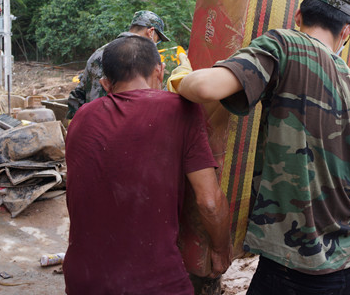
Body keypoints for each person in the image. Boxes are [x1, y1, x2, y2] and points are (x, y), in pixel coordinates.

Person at [168, 0, 350, 294]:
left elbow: (206, 88)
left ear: (298, 16)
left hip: (299, 268)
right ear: (347, 30)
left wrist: (183, 76)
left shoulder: (285, 44)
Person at [64, 35, 232, 294]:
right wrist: (221, 249)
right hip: (154, 282)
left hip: (82, 280)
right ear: (160, 71)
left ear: (106, 84)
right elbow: (209, 201)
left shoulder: (80, 117)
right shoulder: (179, 110)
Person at [66, 10, 170, 119]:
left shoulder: (99, 52)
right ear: (150, 32)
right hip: (117, 122)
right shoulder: (139, 57)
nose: (156, 44)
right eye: (157, 40)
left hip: (92, 121)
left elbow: (78, 94)